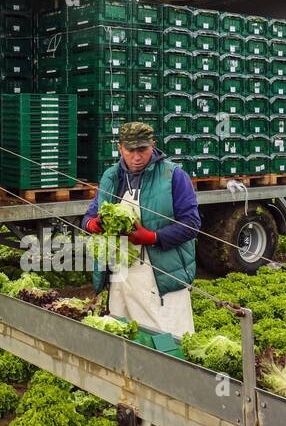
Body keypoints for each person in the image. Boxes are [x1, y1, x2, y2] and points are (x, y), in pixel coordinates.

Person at [82, 121, 200, 338]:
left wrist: (153, 237)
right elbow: (89, 215)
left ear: (153, 145)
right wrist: (92, 224)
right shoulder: (111, 177)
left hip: (159, 279)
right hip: (120, 276)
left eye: (142, 150)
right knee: (124, 339)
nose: (136, 157)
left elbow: (191, 224)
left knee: (166, 341)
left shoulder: (172, 176)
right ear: (120, 149)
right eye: (130, 151)